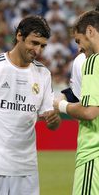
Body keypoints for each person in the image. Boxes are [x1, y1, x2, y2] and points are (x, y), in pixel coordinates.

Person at [0, 15, 60, 195]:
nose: (38, 50)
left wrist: (54, 120)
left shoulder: (43, 74)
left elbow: (51, 121)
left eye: (42, 45)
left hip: (26, 169)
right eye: (34, 43)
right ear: (19, 36)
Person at [54, 10, 99, 195]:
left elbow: (89, 111)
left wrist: (60, 105)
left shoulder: (91, 62)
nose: (79, 48)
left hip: (93, 156)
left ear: (90, 31)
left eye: (78, 41)